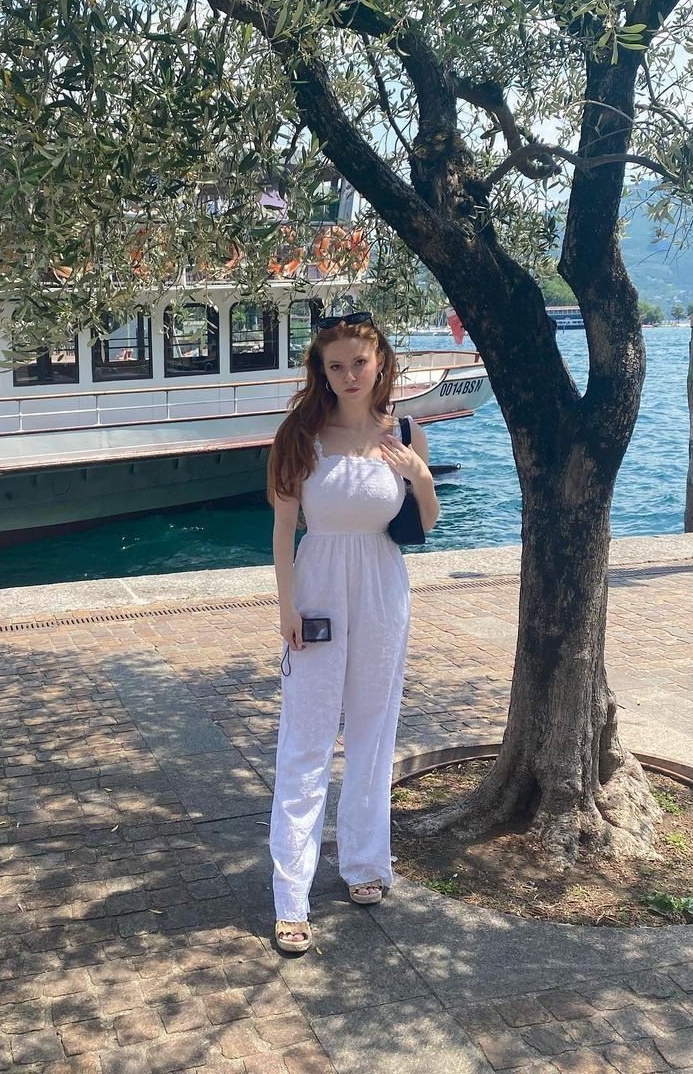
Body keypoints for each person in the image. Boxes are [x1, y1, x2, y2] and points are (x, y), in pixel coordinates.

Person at [266, 309, 439, 955]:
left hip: (383, 589)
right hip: (317, 589)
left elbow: (426, 521)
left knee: (374, 730)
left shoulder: (406, 432)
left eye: (359, 363)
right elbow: (284, 528)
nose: (348, 375)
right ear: (321, 370)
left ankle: (365, 862)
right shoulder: (300, 436)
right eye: (335, 365)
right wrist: (286, 606)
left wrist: (420, 477)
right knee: (306, 740)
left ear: (380, 361)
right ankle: (291, 895)